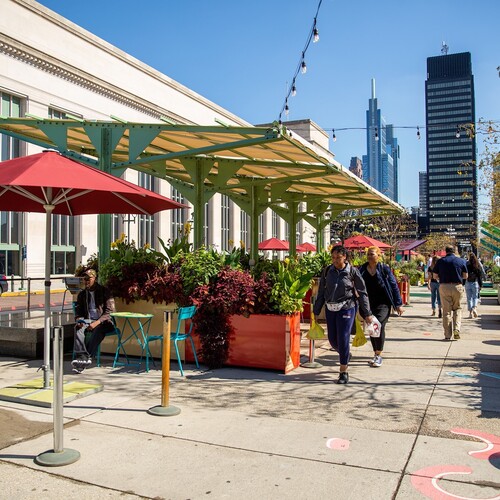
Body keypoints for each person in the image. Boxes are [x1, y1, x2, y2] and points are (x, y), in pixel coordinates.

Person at [313, 245, 373, 384]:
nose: (335, 260)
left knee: (343, 337)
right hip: (330, 308)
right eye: (333, 258)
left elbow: (362, 293)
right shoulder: (327, 271)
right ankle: (345, 354)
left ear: (344, 257)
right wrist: (316, 310)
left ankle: (343, 371)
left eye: (338, 258)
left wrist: (367, 313)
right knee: (333, 340)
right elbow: (321, 291)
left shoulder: (352, 271)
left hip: (347, 307)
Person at [359, 246, 404, 368]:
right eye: (368, 254)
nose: (369, 256)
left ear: (378, 256)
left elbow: (394, 286)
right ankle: (376, 353)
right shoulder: (362, 269)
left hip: (383, 303)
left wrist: (398, 304)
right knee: (372, 327)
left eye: (372, 254)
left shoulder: (384, 269)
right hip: (368, 304)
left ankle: (378, 355)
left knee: (378, 324)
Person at [72, 269, 116, 373]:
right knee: (78, 328)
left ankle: (86, 357)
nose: (86, 281)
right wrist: (79, 320)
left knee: (98, 330)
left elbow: (109, 312)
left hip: (104, 322)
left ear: (94, 278)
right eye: (84, 279)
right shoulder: (82, 294)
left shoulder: (105, 291)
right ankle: (82, 356)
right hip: (88, 320)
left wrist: (97, 322)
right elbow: (79, 311)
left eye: (88, 279)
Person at [432, 246, 468, 340]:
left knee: (446, 312)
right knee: (457, 309)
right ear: (455, 251)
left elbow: (434, 276)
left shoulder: (441, 261)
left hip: (444, 286)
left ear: (445, 251)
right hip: (457, 286)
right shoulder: (461, 261)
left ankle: (447, 335)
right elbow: (465, 276)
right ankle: (457, 329)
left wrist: (441, 276)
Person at [465, 252, 483, 318]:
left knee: (469, 298)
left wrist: (463, 283)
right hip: (475, 282)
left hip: (468, 282)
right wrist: (480, 285)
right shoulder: (477, 265)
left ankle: (470, 313)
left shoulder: (466, 264)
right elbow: (479, 276)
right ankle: (474, 308)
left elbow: (464, 274)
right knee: (475, 297)